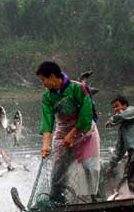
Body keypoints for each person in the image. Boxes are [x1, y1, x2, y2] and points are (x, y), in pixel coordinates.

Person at [36, 61, 101, 204]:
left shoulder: (78, 88)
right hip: (62, 133)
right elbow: (47, 122)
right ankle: (58, 200)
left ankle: (94, 198)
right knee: (58, 172)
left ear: (53, 76)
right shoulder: (47, 97)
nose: (43, 83)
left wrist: (73, 134)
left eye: (43, 79)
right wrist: (46, 145)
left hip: (85, 131)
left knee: (91, 167)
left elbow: (86, 113)